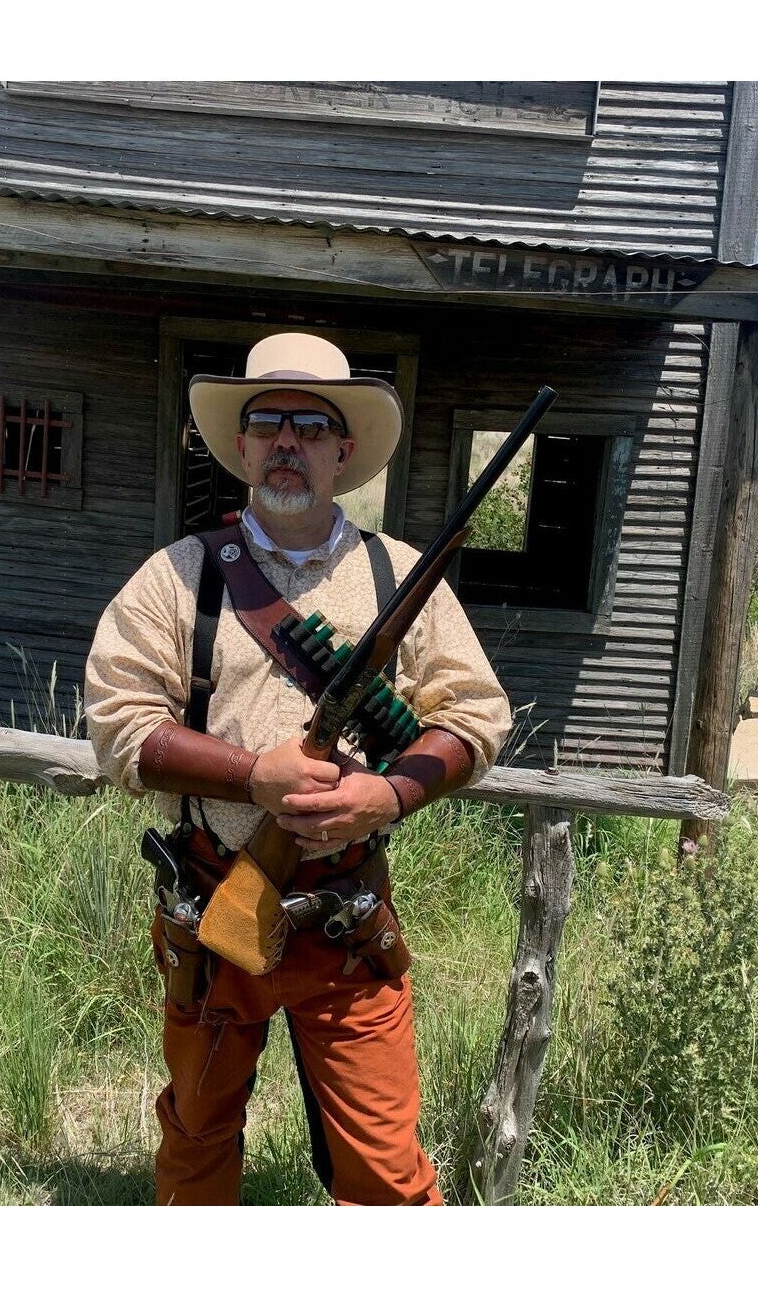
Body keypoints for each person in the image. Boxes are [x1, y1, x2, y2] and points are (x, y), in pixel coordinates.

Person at [84, 331, 511, 1205]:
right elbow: (120, 725)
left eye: (311, 426)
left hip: (348, 925)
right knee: (197, 1146)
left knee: (387, 1175)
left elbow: (475, 716)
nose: (287, 441)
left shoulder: (398, 574)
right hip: (215, 911)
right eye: (267, 422)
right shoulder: (181, 577)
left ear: (342, 451)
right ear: (241, 446)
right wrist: (253, 778)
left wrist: (389, 793)